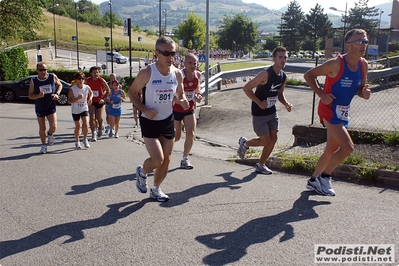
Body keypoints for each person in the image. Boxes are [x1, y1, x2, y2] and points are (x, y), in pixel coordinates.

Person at [303, 28, 371, 196]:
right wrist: (321, 94)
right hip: (329, 110)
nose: (363, 45)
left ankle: (313, 181)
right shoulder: (336, 63)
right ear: (348, 45)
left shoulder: (363, 65)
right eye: (359, 41)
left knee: (331, 149)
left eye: (365, 41)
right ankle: (324, 177)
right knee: (347, 147)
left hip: (342, 113)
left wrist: (363, 93)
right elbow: (308, 75)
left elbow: (360, 89)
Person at [128, 36, 189, 202]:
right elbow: (131, 93)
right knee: (157, 159)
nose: (170, 57)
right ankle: (142, 172)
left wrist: (182, 100)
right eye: (166, 53)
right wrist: (144, 109)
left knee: (167, 159)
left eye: (173, 53)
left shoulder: (177, 74)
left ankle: (156, 189)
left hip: (167, 119)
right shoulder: (147, 72)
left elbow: (179, 93)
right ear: (156, 53)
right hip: (149, 121)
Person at [237, 46, 293, 174]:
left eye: (285, 58)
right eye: (280, 57)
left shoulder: (283, 76)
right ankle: (245, 143)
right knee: (265, 141)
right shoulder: (265, 74)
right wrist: (258, 102)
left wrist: (286, 104)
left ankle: (261, 164)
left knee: (273, 138)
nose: (283, 60)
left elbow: (279, 94)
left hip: (272, 112)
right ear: (274, 59)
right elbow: (246, 88)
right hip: (259, 112)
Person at [173, 53, 202, 169]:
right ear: (184, 63)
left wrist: (198, 95)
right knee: (177, 136)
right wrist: (179, 101)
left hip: (189, 108)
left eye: (194, 63)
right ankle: (161, 151)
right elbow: (172, 95)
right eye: (189, 63)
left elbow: (197, 89)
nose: (192, 65)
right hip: (176, 109)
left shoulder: (197, 75)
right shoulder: (179, 75)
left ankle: (185, 159)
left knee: (191, 133)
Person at [28, 62, 63, 154]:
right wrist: (38, 95)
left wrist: (57, 94)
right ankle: (43, 145)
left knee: (54, 126)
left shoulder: (52, 76)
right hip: (40, 106)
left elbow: (60, 85)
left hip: (50, 105)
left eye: (45, 69)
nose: (43, 72)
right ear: (37, 71)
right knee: (42, 128)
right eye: (41, 70)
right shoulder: (33, 80)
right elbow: (30, 95)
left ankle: (50, 134)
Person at [68, 72, 93, 149]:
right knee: (78, 126)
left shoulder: (87, 87)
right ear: (76, 80)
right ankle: (77, 141)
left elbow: (91, 93)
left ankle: (85, 139)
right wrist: (77, 98)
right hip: (75, 109)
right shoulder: (73, 89)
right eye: (79, 79)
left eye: (82, 78)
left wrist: (90, 98)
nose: (81, 80)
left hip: (84, 108)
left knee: (85, 124)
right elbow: (69, 101)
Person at [86, 66, 110, 142]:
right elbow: (83, 88)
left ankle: (100, 126)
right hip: (91, 101)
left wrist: (103, 99)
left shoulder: (101, 81)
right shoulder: (87, 80)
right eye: (94, 72)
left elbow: (108, 90)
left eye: (97, 72)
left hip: (99, 101)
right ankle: (93, 134)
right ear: (91, 73)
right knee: (92, 117)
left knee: (98, 118)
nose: (96, 74)